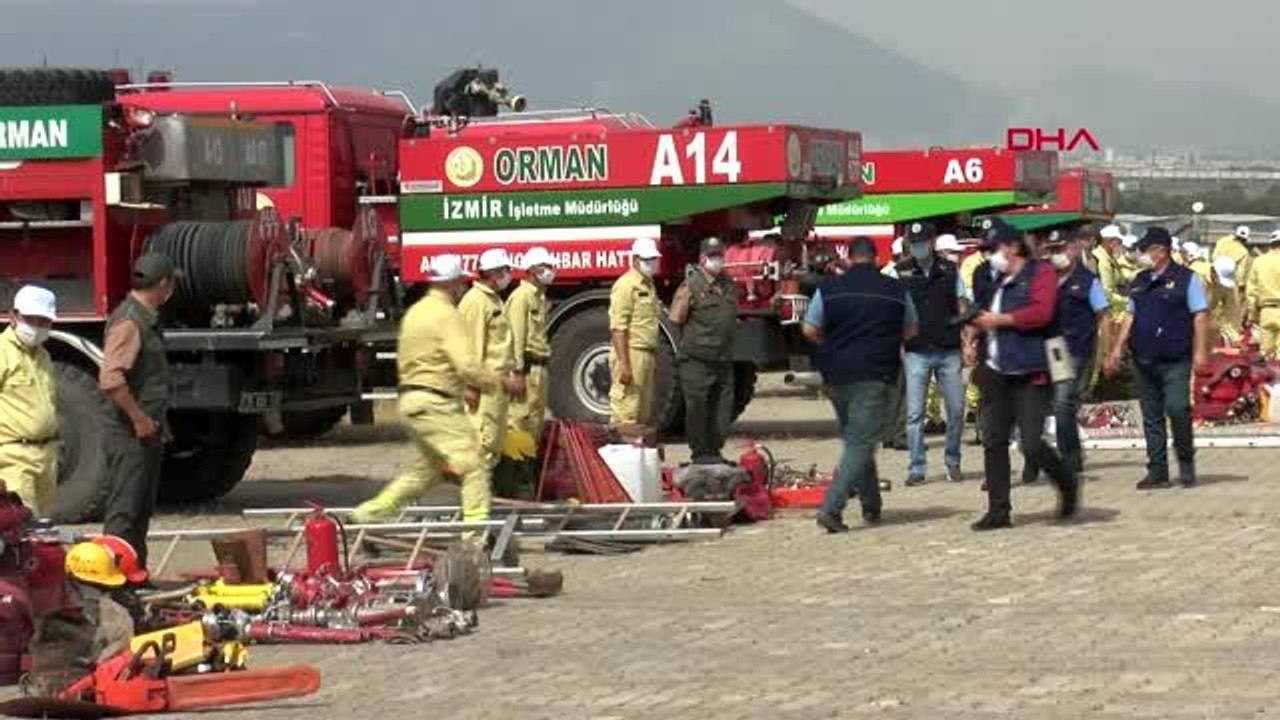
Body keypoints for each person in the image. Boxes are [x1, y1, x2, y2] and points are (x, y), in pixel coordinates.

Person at [353, 254, 519, 524]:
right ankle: (475, 538)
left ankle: (366, 515)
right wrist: (499, 382)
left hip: (411, 401)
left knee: (425, 472)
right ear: (455, 281)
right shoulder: (447, 315)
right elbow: (467, 365)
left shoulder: (415, 314)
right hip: (436, 402)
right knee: (474, 464)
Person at [968, 223, 1079, 530]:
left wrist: (1000, 320)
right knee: (993, 440)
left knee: (1031, 443)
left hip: (1031, 371)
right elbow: (985, 315)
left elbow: (1041, 313)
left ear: (1013, 247)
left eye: (994, 250)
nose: (990, 256)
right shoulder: (998, 281)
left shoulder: (1040, 274)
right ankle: (998, 510)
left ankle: (1066, 483)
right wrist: (973, 329)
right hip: (997, 370)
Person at [804, 237, 917, 533]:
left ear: (850, 258)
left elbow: (809, 328)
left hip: (836, 374)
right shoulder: (895, 290)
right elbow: (912, 329)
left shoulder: (828, 289)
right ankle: (831, 509)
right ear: (875, 258)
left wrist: (831, 347)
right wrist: (887, 343)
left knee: (857, 438)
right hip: (875, 373)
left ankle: (871, 504)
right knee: (860, 442)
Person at [1106, 227, 1209, 488]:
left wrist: (1200, 350)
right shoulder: (1140, 280)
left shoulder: (1187, 279)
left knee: (1177, 408)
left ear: (1160, 251)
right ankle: (1157, 471)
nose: (1141, 254)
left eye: (1146, 249)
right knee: (1151, 416)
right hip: (1144, 357)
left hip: (1175, 358)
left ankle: (1186, 462)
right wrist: (1118, 347)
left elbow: (1199, 314)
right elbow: (1130, 314)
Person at [100, 253, 178, 569]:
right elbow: (111, 380)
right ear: (163, 284)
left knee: (140, 510)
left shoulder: (145, 318)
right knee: (124, 511)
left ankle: (135, 574)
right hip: (129, 434)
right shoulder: (130, 321)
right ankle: (112, 580)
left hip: (144, 433)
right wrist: (140, 419)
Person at [1022, 228, 1108, 482]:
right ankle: (1033, 460)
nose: (1056, 255)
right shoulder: (1039, 278)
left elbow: (1102, 316)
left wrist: (1105, 351)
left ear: (1073, 249)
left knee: (1062, 404)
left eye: (1060, 249)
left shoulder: (1087, 280)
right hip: (1041, 348)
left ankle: (1068, 458)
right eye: (1051, 250)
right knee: (1034, 406)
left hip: (1072, 349)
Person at [898, 221, 966, 485]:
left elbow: (961, 306)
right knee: (915, 414)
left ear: (932, 242)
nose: (918, 248)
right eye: (913, 244)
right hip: (916, 352)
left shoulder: (950, 270)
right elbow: (893, 312)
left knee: (957, 409)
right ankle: (916, 467)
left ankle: (953, 461)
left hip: (948, 349)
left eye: (922, 243)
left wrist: (968, 340)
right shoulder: (900, 272)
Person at [669, 237, 739, 464]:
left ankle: (714, 450)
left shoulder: (728, 283)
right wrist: (690, 346)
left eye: (719, 255)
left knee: (722, 410)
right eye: (712, 256)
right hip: (696, 360)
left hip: (722, 358)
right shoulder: (691, 285)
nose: (717, 260)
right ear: (702, 258)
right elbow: (676, 319)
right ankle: (700, 454)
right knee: (697, 408)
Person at [459, 248, 521, 471]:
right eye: (506, 270)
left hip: (497, 386)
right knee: (482, 444)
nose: (509, 275)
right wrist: (471, 387)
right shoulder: (475, 302)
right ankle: (475, 502)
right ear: (494, 273)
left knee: (493, 443)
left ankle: (483, 498)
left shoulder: (493, 300)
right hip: (484, 387)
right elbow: (470, 349)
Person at [0, 285, 59, 517]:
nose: (37, 327)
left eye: (44, 321)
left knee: (42, 532)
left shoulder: (44, 355)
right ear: (13, 316)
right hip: (14, 456)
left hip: (47, 456)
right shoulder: (2, 351)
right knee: (22, 529)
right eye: (31, 319)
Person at [609, 237, 662, 428]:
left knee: (642, 414)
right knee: (627, 413)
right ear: (635, 259)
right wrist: (624, 364)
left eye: (653, 259)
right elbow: (618, 327)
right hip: (631, 352)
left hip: (646, 354)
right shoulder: (626, 285)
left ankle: (635, 452)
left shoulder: (648, 284)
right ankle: (622, 452)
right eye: (647, 260)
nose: (652, 264)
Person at [506, 246, 557, 444]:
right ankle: (516, 471)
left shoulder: (538, 296)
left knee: (535, 425)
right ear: (532, 269)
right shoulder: (521, 297)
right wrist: (517, 373)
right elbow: (516, 339)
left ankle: (527, 471)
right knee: (520, 422)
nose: (550, 270)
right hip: (527, 370)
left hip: (539, 369)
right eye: (546, 266)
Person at [1213, 225, 1252, 344]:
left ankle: (1214, 337)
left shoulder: (1222, 241)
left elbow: (1214, 256)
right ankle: (1233, 338)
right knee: (1232, 312)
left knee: (1215, 309)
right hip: (1231, 282)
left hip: (1215, 276)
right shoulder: (1244, 252)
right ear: (1245, 239)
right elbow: (1241, 275)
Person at [1246, 230, 1280, 359]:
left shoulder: (1259, 262)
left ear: (1271, 244)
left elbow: (1251, 292)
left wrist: (1252, 316)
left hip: (1266, 312)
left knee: (1266, 356)